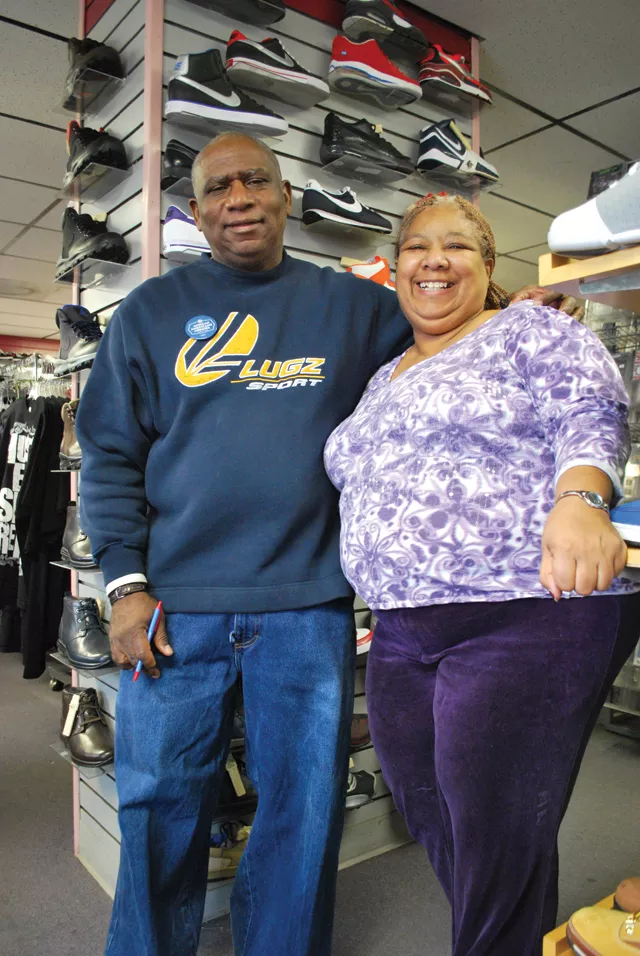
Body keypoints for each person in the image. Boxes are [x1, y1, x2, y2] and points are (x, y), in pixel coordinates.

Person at [77, 134, 585, 956]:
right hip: (177, 607)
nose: (237, 197)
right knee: (156, 804)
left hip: (307, 610)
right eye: (217, 188)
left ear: (285, 198)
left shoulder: (354, 308)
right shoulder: (149, 315)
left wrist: (516, 312)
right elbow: (107, 454)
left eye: (255, 181)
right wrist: (124, 585)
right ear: (198, 211)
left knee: (302, 811)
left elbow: (443, 318)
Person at [324, 193, 640, 956]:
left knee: (494, 826)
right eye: (417, 247)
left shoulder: (528, 329)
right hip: (401, 625)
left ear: (488, 266)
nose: (434, 259)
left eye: (458, 246)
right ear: (395, 269)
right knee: (432, 809)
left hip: (527, 610)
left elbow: (592, 409)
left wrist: (580, 497)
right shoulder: (381, 377)